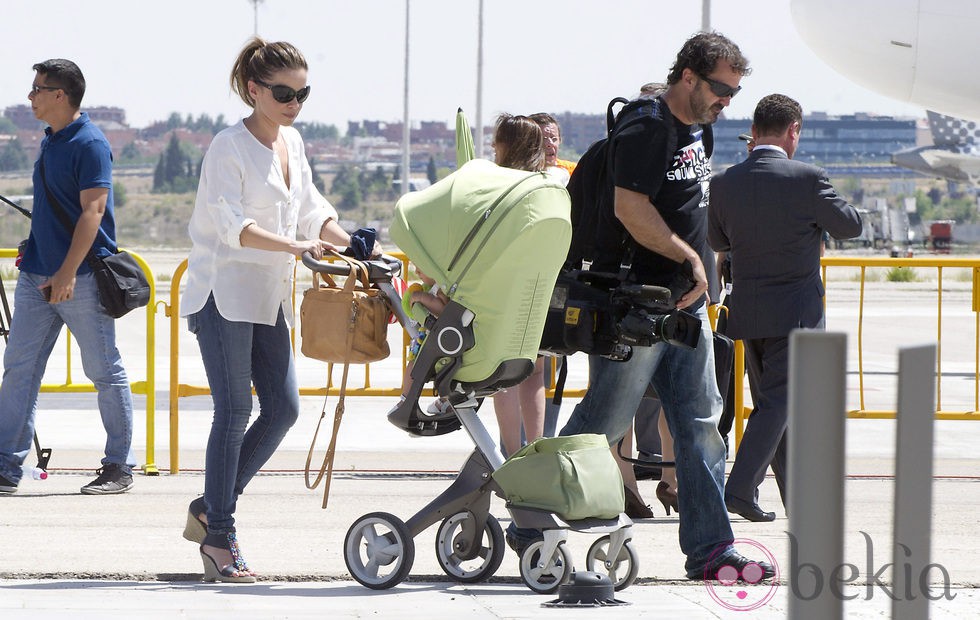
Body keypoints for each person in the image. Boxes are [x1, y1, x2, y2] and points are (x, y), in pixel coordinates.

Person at [510, 31, 774, 582]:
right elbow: (629, 207)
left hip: (681, 308)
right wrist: (689, 257)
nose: (728, 101)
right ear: (688, 77)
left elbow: (683, 205)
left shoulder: (698, 127)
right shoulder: (648, 126)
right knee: (601, 422)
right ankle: (533, 519)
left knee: (702, 424)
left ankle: (710, 549)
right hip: (636, 306)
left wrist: (699, 270)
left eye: (733, 91)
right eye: (721, 88)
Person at [180, 37, 368, 583]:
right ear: (253, 90)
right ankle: (219, 538)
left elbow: (314, 214)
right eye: (284, 92)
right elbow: (233, 225)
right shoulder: (226, 147)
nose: (295, 102)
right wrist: (297, 248)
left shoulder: (294, 143)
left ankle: (211, 505)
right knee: (235, 413)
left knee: (283, 409)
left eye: (303, 92)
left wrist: (354, 244)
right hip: (222, 295)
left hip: (267, 299)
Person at [707, 93, 862, 521]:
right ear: (793, 131)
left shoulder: (724, 181)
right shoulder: (808, 178)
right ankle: (740, 487)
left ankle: (798, 500)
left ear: (754, 132)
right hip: (795, 315)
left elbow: (718, 241)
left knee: (777, 408)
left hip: (750, 313)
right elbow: (849, 225)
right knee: (779, 406)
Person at [0, 59, 136, 496]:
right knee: (19, 370)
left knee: (103, 370)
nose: (30, 96)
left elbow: (93, 213)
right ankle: (6, 467)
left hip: (80, 280)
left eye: (37, 89)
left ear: (60, 94)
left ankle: (118, 467)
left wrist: (65, 273)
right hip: (37, 275)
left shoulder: (90, 143)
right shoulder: (50, 140)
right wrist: (35, 244)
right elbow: (55, 207)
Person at [488, 113, 549, 458]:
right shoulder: (548, 186)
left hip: (504, 290)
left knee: (504, 375)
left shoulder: (496, 185)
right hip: (541, 290)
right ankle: (536, 447)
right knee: (535, 372)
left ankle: (512, 451)